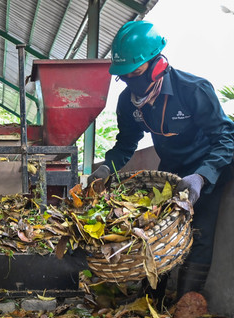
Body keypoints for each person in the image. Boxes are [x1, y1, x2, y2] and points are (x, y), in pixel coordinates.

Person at [88, 20, 234, 302]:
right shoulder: (128, 102)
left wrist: (201, 177)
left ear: (157, 65)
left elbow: (226, 138)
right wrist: (107, 168)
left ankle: (185, 306)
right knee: (154, 230)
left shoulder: (193, 90)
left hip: (207, 168)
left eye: (136, 72)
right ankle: (149, 299)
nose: (131, 80)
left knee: (199, 233)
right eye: (125, 76)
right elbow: (126, 143)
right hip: (171, 170)